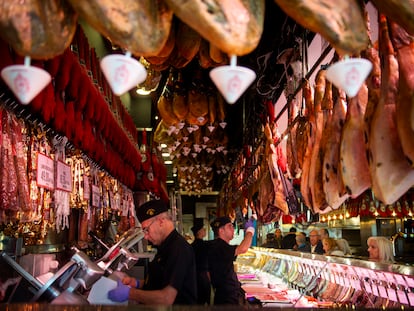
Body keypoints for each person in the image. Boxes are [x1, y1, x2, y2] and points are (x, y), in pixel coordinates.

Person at [107, 199, 197, 305]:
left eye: (146, 229)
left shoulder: (179, 248)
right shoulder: (165, 246)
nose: (145, 236)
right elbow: (159, 283)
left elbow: (166, 298)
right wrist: (136, 283)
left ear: (160, 222)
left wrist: (130, 293)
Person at [207, 215, 255, 305]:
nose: (233, 229)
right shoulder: (220, 246)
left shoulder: (219, 245)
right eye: (230, 226)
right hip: (226, 296)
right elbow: (243, 248)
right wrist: (250, 231)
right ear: (221, 231)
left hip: (225, 294)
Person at [191, 219, 211, 305]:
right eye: (203, 229)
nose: (205, 230)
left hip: (193, 277)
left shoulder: (191, 246)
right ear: (199, 232)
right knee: (203, 300)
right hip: (203, 277)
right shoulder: (205, 246)